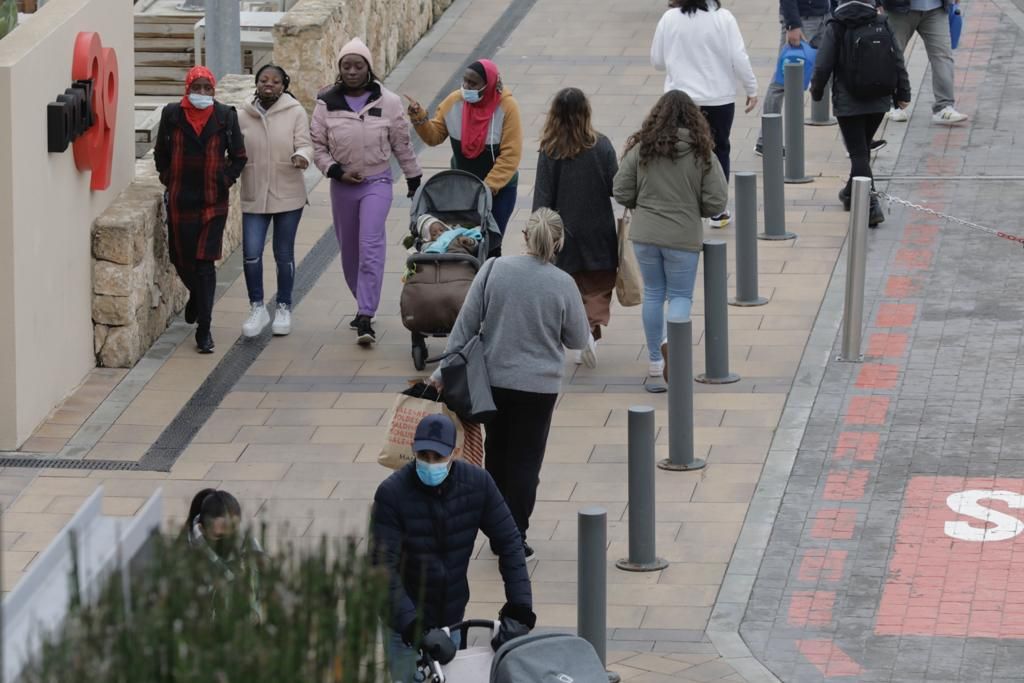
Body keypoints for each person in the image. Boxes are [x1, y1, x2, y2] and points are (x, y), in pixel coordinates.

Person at [429, 209, 589, 559]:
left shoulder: (493, 269)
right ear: (558, 242)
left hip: (493, 381)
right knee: (526, 462)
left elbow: (465, 325)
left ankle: (498, 526)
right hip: (540, 388)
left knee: (497, 455)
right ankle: (516, 533)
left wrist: (441, 373)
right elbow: (578, 338)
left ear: (526, 237)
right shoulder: (563, 283)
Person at [371, 414, 535, 681]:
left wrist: (520, 609)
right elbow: (381, 568)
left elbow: (510, 544)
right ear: (413, 450)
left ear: (455, 452)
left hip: (450, 621)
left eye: (438, 456)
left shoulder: (478, 485)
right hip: (405, 627)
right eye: (423, 455)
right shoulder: (392, 494)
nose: (430, 463)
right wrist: (416, 630)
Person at [311, 38, 422, 346]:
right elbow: (318, 147)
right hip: (343, 186)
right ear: (339, 69)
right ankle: (362, 299)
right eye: (346, 66)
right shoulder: (326, 103)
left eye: (358, 66)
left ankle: (365, 314)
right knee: (350, 251)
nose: (352, 72)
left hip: (377, 183)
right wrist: (336, 171)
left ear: (369, 68)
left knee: (370, 244)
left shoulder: (388, 102)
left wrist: (413, 178)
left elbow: (402, 143)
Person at [613, 90, 728, 379]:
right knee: (679, 296)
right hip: (682, 236)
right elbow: (716, 201)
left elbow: (621, 190)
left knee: (653, 294)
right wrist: (694, 207)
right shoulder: (703, 153)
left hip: (645, 234)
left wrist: (642, 203)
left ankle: (656, 357)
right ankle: (674, 352)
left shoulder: (643, 149)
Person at [155, 65, 247, 354]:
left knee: (205, 263)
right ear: (188, 88)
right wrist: (168, 177)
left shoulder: (224, 116)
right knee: (180, 257)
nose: (202, 94)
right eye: (198, 88)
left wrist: (224, 180)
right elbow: (161, 154)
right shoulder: (172, 114)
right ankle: (197, 296)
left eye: (208, 88)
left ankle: (204, 329)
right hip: (182, 198)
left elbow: (239, 157)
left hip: (212, 201)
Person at [650, 0, 758, 228]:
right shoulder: (724, 18)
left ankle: (682, 204)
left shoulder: (669, 19)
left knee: (679, 150)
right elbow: (739, 57)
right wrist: (751, 88)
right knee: (719, 149)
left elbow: (657, 61)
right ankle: (717, 210)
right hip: (718, 98)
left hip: (679, 99)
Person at [532, 88, 617, 368]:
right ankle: (590, 333)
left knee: (572, 289)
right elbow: (615, 187)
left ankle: (584, 337)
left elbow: (543, 198)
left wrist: (538, 233)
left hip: (564, 233)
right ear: (586, 113)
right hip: (599, 231)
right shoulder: (602, 146)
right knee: (598, 287)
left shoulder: (549, 150)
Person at [404, 60, 523, 257]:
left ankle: (489, 284)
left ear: (489, 85)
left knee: (491, 244)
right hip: (463, 188)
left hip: (499, 188)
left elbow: (511, 155)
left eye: (473, 83)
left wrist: (486, 189)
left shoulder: (507, 107)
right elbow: (434, 136)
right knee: (463, 243)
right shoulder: (454, 101)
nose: (466, 87)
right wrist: (420, 118)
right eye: (465, 80)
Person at [811, 0, 911, 227]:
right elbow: (897, 58)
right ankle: (849, 193)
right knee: (862, 148)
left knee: (858, 153)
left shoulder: (836, 25)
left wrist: (816, 93)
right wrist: (903, 92)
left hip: (849, 102)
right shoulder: (881, 22)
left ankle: (870, 205)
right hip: (879, 99)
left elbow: (823, 64)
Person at [237, 64, 313, 339]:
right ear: (256, 83)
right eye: (264, 80)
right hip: (254, 192)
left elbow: (305, 143)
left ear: (284, 85)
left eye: (276, 81)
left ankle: (283, 306)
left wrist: (302, 156)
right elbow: (233, 149)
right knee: (251, 252)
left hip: (288, 193)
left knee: (283, 254)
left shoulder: (294, 112)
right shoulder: (242, 114)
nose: (269, 84)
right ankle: (257, 307)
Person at [756, 0, 832, 156]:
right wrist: (792, 24)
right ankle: (766, 141)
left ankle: (855, 142)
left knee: (835, 73)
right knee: (781, 82)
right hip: (802, 20)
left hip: (825, 15)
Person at [183, 488, 264, 622]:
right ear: (201, 529)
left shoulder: (249, 546)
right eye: (219, 536)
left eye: (233, 532)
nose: (228, 541)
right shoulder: (190, 560)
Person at [881, 0, 967, 124]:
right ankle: (891, 104)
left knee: (943, 56)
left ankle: (944, 107)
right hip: (898, 9)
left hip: (936, 8)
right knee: (892, 55)